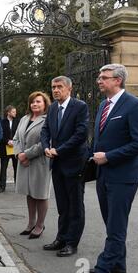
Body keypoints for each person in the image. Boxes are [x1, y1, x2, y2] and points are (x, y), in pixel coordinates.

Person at [83, 64, 138, 273]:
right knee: (111, 222)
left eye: (104, 77)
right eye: (99, 77)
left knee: (116, 225)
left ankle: (102, 271)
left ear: (118, 80)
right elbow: (101, 138)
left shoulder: (135, 105)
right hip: (104, 174)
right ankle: (119, 265)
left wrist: (109, 156)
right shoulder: (104, 104)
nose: (99, 81)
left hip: (123, 176)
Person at [41, 76, 89, 257]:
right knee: (62, 204)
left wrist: (58, 150)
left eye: (59, 87)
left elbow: (81, 134)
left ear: (69, 89)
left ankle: (71, 242)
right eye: (53, 87)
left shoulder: (80, 106)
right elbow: (46, 130)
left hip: (74, 163)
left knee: (75, 204)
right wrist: (46, 147)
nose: (55, 90)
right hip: (57, 163)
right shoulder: (53, 108)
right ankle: (61, 238)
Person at [13, 92, 51, 239]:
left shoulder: (48, 119)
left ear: (45, 104)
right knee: (29, 193)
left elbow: (46, 142)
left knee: (40, 194)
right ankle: (31, 223)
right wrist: (18, 155)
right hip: (24, 162)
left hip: (39, 162)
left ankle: (40, 225)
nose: (34, 104)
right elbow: (16, 138)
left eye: (38, 102)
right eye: (32, 102)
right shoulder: (24, 118)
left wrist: (26, 154)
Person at [0, 105, 19, 193]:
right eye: (13, 112)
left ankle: (18, 186)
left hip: (15, 147)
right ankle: (2, 187)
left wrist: (14, 142)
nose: (15, 113)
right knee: (3, 168)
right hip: (4, 147)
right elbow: (0, 134)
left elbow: (20, 133)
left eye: (15, 112)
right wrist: (7, 141)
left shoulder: (18, 121)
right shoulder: (2, 122)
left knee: (17, 168)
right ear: (8, 112)